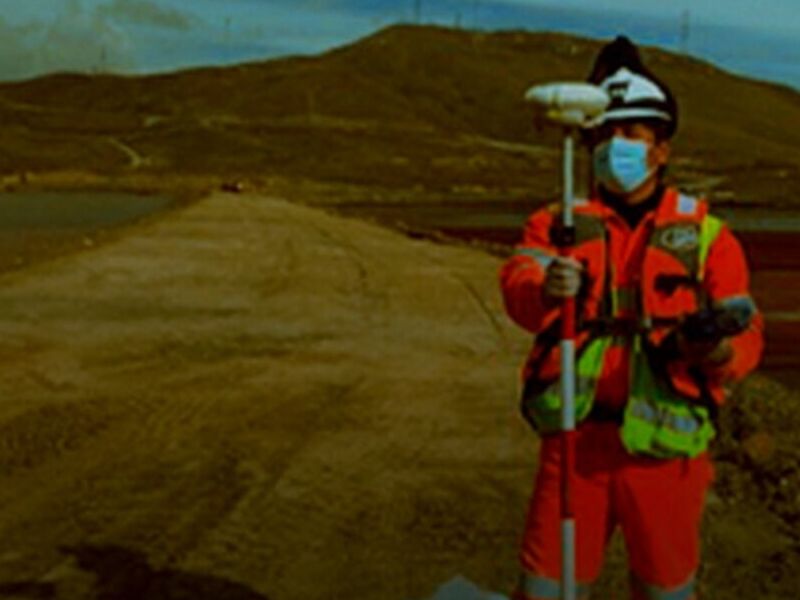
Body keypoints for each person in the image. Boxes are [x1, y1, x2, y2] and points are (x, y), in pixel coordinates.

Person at [500, 36, 764, 600]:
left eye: (632, 134)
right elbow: (517, 286)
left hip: (667, 458)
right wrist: (544, 288)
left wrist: (715, 351)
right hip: (574, 448)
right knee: (546, 589)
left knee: (664, 592)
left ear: (661, 149)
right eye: (604, 134)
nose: (614, 145)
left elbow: (747, 335)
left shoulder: (708, 236)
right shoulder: (556, 223)